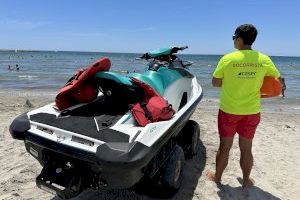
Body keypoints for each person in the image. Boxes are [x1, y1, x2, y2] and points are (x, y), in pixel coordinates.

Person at [206, 24, 285, 187]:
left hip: (229, 111)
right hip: (252, 111)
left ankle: (218, 177)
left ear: (240, 39)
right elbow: (278, 80)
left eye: (234, 38)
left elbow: (215, 82)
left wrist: (233, 81)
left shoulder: (227, 59)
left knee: (225, 146)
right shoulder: (263, 59)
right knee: (246, 148)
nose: (234, 41)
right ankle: (246, 179)